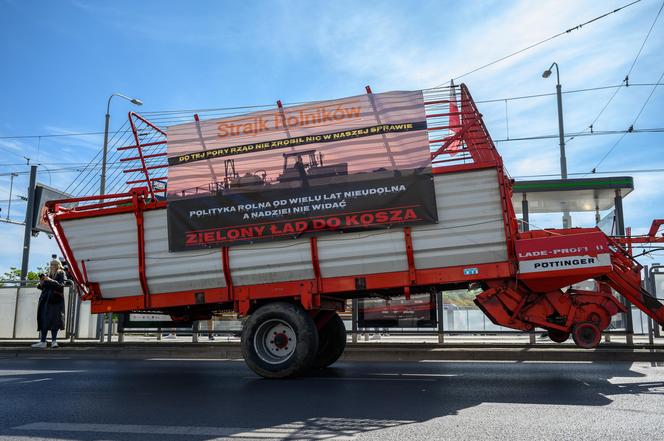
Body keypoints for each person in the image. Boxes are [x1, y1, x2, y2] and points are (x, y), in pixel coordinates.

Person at [31, 259, 67, 348]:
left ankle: (54, 341)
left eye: (54, 264)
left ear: (58, 265)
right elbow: (41, 287)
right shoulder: (48, 274)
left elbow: (61, 285)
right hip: (45, 300)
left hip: (55, 300)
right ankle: (43, 341)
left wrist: (49, 280)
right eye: (51, 264)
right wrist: (41, 282)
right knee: (44, 320)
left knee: (55, 320)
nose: (52, 266)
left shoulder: (61, 273)